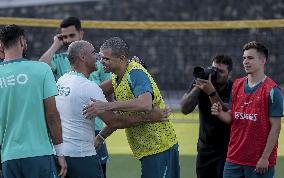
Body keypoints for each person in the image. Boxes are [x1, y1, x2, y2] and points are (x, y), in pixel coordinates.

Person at [56, 40, 170, 178]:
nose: (98, 58)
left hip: (62, 154)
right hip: (82, 155)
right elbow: (115, 121)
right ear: (83, 57)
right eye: (94, 53)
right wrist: (150, 117)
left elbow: (100, 91)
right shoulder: (88, 87)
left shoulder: (62, 80)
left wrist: (127, 70)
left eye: (104, 57)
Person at [83, 37, 180, 178]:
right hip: (148, 150)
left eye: (106, 58)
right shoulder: (117, 77)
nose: (101, 61)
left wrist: (107, 105)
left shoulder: (135, 73)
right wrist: (101, 137)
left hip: (160, 148)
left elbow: (145, 104)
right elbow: (121, 117)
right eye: (101, 57)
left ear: (122, 58)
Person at [39, 17, 112, 177]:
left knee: (99, 169)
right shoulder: (58, 59)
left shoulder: (97, 62)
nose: (67, 40)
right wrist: (55, 44)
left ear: (81, 33)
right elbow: (41, 67)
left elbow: (109, 90)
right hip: (70, 132)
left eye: (71, 36)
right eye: (64, 37)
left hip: (96, 126)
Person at [0, 24, 67, 178]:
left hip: (8, 157)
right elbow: (52, 115)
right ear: (22, 41)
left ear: (2, 45)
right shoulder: (41, 69)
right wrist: (60, 153)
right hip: (39, 154)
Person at [211, 41, 283, 178]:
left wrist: (265, 158)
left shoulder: (272, 91)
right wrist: (220, 113)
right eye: (244, 58)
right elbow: (233, 117)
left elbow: (276, 128)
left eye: (250, 58)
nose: (245, 61)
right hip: (233, 158)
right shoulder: (237, 85)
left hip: (259, 162)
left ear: (263, 61)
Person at [180, 54, 233, 178]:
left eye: (220, 71)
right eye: (214, 69)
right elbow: (184, 109)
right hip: (205, 148)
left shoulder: (234, 87)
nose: (216, 73)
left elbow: (230, 109)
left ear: (229, 73)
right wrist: (199, 86)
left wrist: (212, 92)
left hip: (227, 148)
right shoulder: (201, 84)